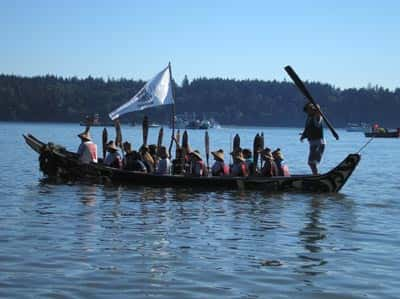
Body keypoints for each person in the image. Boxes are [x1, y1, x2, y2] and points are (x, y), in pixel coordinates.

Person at [300, 103, 325, 175]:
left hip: (318, 143)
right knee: (312, 163)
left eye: (308, 110)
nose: (307, 112)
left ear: (312, 110)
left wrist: (317, 107)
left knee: (312, 162)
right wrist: (303, 136)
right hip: (313, 143)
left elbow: (318, 112)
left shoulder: (317, 117)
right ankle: (315, 174)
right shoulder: (309, 118)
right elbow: (307, 129)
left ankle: (316, 175)